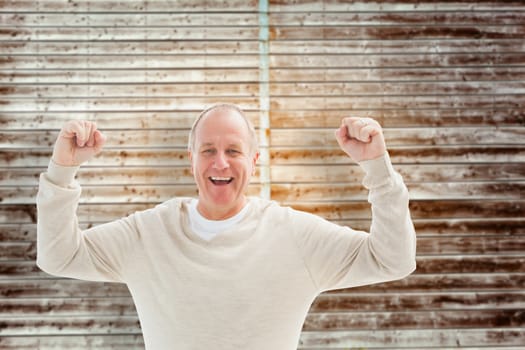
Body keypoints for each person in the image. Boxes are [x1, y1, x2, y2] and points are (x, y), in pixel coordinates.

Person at [37, 103, 416, 349]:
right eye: (208, 151)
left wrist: (377, 167)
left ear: (253, 161)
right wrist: (62, 170)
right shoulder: (148, 234)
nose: (220, 163)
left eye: (233, 151)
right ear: (191, 160)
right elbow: (60, 257)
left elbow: (392, 259)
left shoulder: (293, 236)